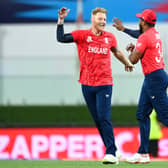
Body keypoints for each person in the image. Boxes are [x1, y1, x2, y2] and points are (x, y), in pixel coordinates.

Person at [57, 7, 134, 164]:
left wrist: (127, 62)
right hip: (86, 84)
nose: (103, 22)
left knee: (104, 117)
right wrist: (61, 20)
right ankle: (113, 149)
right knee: (98, 120)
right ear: (93, 19)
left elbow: (117, 51)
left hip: (104, 83)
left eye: (105, 19)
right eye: (100, 19)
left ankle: (111, 153)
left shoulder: (110, 37)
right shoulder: (82, 35)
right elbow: (61, 38)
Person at [113, 9, 168, 163]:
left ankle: (143, 153)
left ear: (144, 22)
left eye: (140, 19)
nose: (139, 21)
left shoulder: (145, 37)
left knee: (165, 117)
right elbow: (140, 37)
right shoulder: (153, 34)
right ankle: (143, 153)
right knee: (142, 114)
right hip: (155, 77)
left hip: (154, 79)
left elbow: (133, 60)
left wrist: (131, 53)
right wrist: (123, 30)